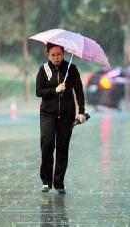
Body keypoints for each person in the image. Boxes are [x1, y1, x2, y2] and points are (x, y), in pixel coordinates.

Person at [36, 43, 86, 194]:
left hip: (66, 114)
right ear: (47, 55)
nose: (56, 58)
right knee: (48, 143)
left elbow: (79, 91)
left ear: (63, 54)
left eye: (59, 54)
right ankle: (46, 181)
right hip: (48, 114)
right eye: (53, 55)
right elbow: (39, 91)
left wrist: (81, 112)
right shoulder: (43, 69)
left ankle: (59, 183)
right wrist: (55, 90)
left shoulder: (72, 69)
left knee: (62, 147)